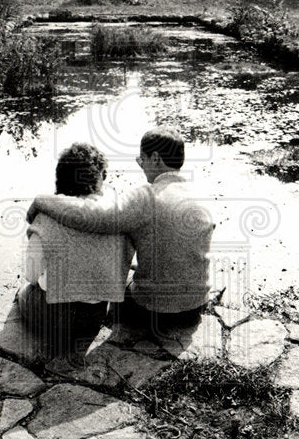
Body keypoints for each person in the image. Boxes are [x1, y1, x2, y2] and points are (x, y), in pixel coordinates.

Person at [27, 128, 214, 332]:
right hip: (195, 306)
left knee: (114, 286)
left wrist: (41, 201)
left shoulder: (146, 197)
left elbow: (91, 215)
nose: (140, 166)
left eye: (141, 160)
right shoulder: (200, 194)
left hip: (155, 312)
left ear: (155, 159)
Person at [18, 142, 134, 354]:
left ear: (61, 177)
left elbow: (31, 276)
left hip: (55, 320)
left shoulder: (45, 218)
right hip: (93, 318)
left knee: (24, 292)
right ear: (100, 178)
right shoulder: (116, 214)